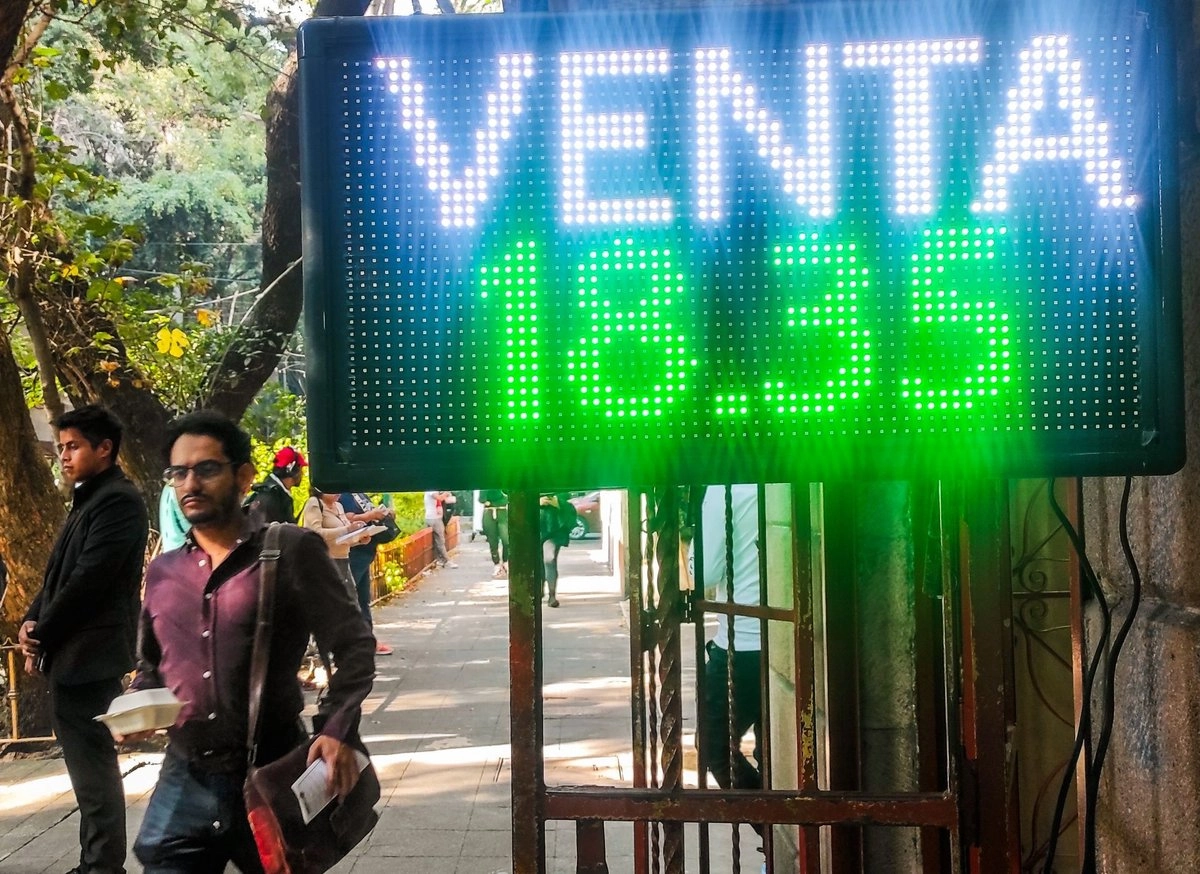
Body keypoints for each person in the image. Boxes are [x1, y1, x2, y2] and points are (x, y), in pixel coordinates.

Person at [127, 410, 376, 873]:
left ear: (243, 475)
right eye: (179, 473)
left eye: (206, 469)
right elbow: (152, 665)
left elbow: (355, 646)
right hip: (184, 776)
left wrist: (336, 728)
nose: (190, 484)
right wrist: (140, 702)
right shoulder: (163, 573)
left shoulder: (289, 551)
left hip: (270, 772)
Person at [18, 405, 149, 874]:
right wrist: (31, 620)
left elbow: (90, 579)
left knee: (93, 773)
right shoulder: (87, 498)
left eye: (73, 447)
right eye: (62, 448)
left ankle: (102, 866)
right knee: (86, 771)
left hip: (91, 656)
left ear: (105, 448)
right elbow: (57, 573)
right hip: (71, 653)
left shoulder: (118, 501)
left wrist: (43, 633)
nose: (64, 456)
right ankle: (94, 862)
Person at [694, 483, 763, 794]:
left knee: (713, 747)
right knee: (773, 751)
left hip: (742, 642)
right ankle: (784, 834)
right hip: (785, 636)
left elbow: (703, 574)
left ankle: (774, 830)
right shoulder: (780, 482)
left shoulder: (726, 488)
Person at [338, 493, 398, 655]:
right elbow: (345, 519)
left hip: (365, 551)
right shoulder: (342, 495)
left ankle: (367, 639)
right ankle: (350, 641)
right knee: (349, 598)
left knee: (363, 599)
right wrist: (370, 516)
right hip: (354, 552)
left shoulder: (358, 493)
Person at [301, 488, 370, 600]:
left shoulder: (339, 506)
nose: (338, 492)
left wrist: (359, 539)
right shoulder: (315, 503)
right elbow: (314, 533)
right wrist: (347, 529)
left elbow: (343, 537)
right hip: (324, 561)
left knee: (351, 601)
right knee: (329, 601)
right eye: (333, 489)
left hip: (343, 560)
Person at [243, 445, 306, 525]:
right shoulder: (276, 498)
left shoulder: (266, 492)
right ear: (293, 470)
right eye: (300, 468)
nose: (302, 473)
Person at [539, 493, 577, 608]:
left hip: (554, 532)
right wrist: (536, 502)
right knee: (537, 563)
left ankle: (552, 595)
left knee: (549, 559)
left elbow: (567, 496)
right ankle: (539, 590)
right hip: (534, 531)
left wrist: (557, 502)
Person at [423, 490, 457, 569]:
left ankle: (439, 560)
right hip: (434, 518)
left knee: (436, 541)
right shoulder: (431, 491)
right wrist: (446, 493)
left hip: (433, 517)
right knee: (440, 540)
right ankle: (446, 560)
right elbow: (440, 498)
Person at [479, 489, 509, 578]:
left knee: (506, 539)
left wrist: (492, 501)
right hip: (489, 512)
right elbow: (482, 499)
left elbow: (507, 497)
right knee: (492, 541)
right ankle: (496, 564)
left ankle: (505, 561)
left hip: (502, 512)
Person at [158, 484, 189, 552]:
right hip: (183, 548)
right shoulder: (178, 489)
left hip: (169, 549)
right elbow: (189, 526)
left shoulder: (167, 488)